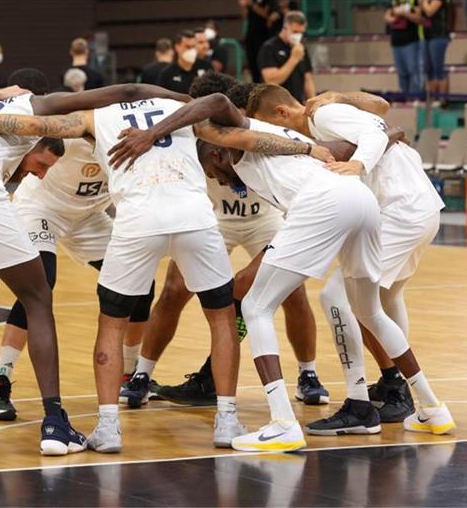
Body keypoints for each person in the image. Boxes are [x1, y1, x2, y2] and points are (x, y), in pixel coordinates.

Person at [0, 84, 336, 453]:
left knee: (111, 322)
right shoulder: (183, 108)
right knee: (221, 319)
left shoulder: (97, 116)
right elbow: (246, 137)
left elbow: (35, 124)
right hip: (193, 217)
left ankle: (109, 427)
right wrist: (305, 148)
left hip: (137, 221)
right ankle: (226, 421)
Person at [0, 70, 194, 455]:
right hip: (32, 206)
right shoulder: (46, 111)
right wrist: (187, 102)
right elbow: (130, 89)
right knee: (38, 292)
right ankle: (46, 414)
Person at [113, 73, 328, 409]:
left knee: (292, 292)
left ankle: (308, 374)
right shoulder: (189, 128)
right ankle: (142, 374)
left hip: (265, 216)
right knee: (173, 291)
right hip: (217, 216)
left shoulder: (256, 124)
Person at [256, 86, 453, 433]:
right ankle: (401, 391)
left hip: (401, 209)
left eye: (274, 130)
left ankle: (360, 402)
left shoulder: (321, 115)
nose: (279, 141)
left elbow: (377, 128)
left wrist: (359, 162)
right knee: (385, 299)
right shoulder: (323, 120)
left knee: (336, 297)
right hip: (415, 208)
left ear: (282, 114)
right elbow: (381, 113)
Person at [0, 137, 155, 420]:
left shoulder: (139, 140)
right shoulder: (76, 132)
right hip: (41, 209)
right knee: (40, 285)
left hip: (89, 216)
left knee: (140, 284)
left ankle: (127, 373)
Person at [259, 10, 316, 104]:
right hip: (276, 104)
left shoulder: (301, 48)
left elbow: (308, 79)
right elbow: (271, 80)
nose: (298, 36)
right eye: (295, 32)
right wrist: (294, 59)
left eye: (301, 33)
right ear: (285, 28)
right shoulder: (269, 48)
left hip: (297, 103)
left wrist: (313, 102)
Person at [385, 0, 424, 97]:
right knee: (402, 73)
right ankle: (404, 97)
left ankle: (415, 97)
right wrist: (393, 17)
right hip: (396, 42)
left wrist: (404, 13)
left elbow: (419, 18)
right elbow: (387, 16)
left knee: (414, 72)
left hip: (411, 41)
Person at [239, 0, 282, 82]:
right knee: (252, 64)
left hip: (264, 36)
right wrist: (243, 5)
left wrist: (252, 5)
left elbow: (268, 16)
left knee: (262, 65)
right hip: (251, 36)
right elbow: (244, 16)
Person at [156, 30, 211, 94]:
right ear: (177, 47)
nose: (191, 50)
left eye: (193, 47)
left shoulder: (206, 67)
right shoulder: (167, 74)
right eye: (188, 47)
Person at [419, 0, 452, 103]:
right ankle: (431, 99)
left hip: (439, 36)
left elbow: (429, 12)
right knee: (429, 70)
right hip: (427, 36)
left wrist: (423, 0)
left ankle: (442, 100)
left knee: (438, 69)